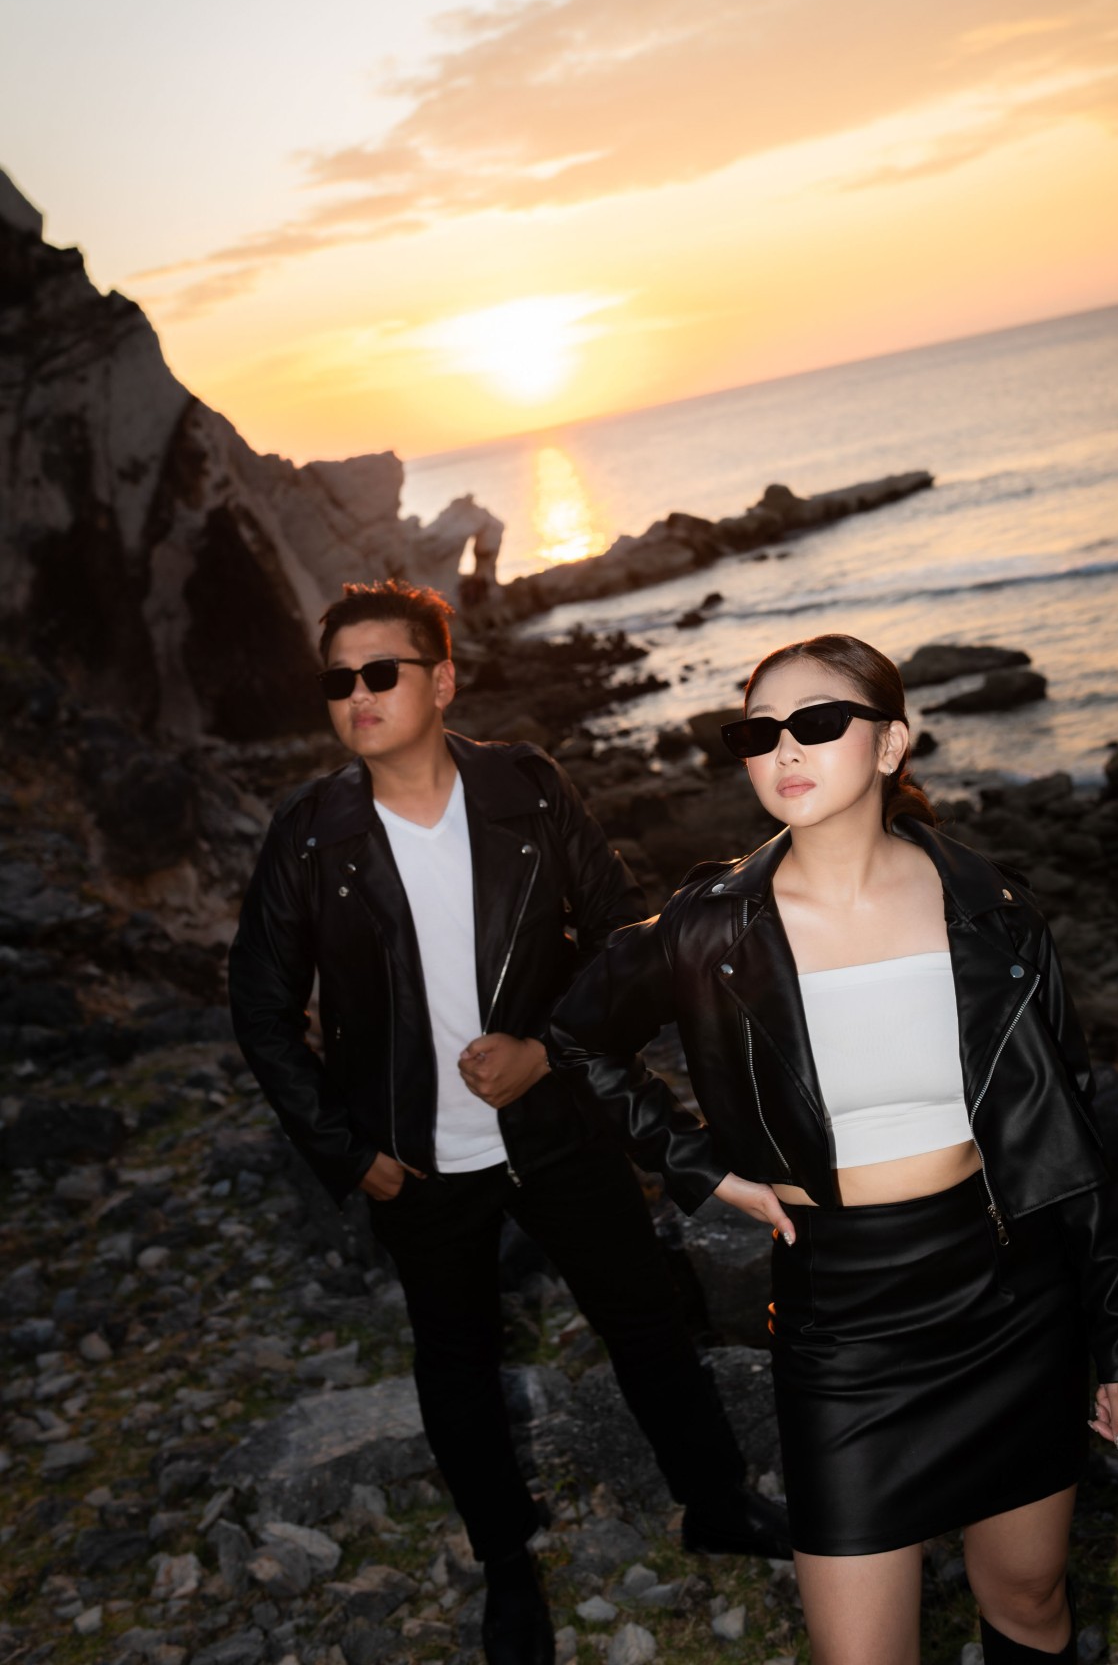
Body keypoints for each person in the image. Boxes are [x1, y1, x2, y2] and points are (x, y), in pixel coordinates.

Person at [550, 631, 1118, 1665]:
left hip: (1008, 1294)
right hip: (840, 1323)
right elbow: (574, 1037)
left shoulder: (992, 909)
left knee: (1027, 1598)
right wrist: (699, 1169)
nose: (783, 748)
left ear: (889, 745)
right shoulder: (709, 928)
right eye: (757, 733)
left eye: (818, 722)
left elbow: (1067, 1134)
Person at [226, 579, 789, 1665]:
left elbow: (622, 940)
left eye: (379, 672)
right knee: (457, 1361)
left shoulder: (525, 787)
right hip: (415, 1160)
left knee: (644, 1317)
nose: (356, 696)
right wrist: (348, 1152)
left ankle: (716, 1504)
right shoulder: (309, 834)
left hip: (555, 1124)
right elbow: (260, 1005)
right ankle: (506, 1568)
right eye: (337, 681)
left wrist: (543, 1049)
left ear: (441, 680)